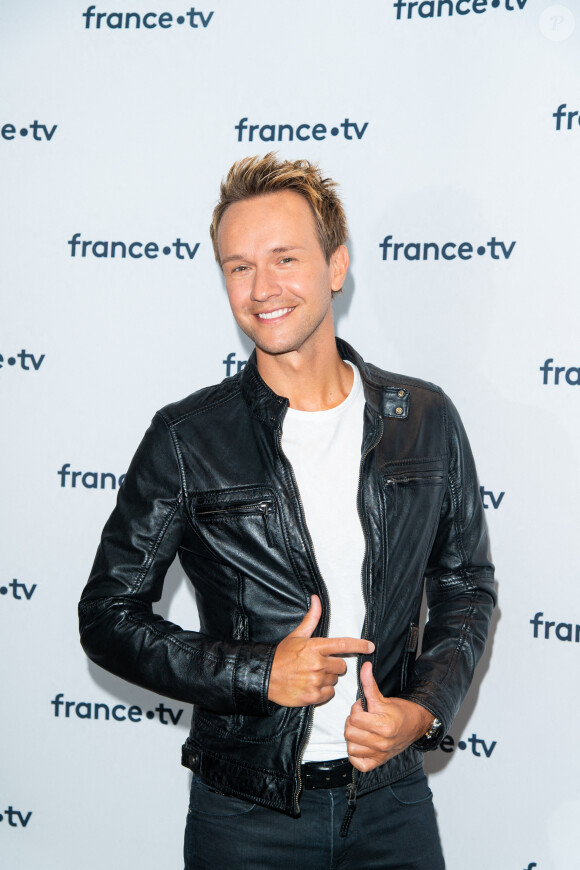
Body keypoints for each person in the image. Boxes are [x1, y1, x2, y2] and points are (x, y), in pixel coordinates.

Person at [79, 153, 496, 869]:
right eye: (238, 267)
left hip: (391, 801)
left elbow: (465, 588)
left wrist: (422, 710)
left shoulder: (423, 419)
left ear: (337, 266)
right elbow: (108, 617)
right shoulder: (187, 439)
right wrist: (257, 671)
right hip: (246, 816)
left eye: (284, 259)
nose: (261, 288)